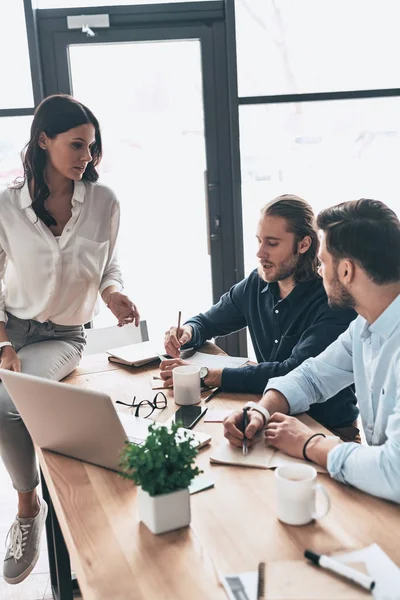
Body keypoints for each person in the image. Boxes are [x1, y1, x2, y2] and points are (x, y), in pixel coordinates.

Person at [0, 94, 140, 584]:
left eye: (91, 146)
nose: (87, 156)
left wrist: (114, 292)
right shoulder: (6, 206)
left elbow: (109, 262)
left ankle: (26, 505)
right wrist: (1, 340)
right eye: (77, 145)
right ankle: (29, 507)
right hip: (11, 328)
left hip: (64, 334)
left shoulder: (105, 202)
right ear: (44, 141)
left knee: (11, 401)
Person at [223, 198, 400, 504]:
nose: (319, 272)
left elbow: (393, 471)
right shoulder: (364, 326)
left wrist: (309, 443)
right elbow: (312, 377)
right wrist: (262, 410)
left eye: (322, 263)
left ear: (346, 271)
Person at [162, 195, 358, 434]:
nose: (260, 253)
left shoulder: (332, 299)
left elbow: (293, 371)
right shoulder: (258, 282)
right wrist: (187, 332)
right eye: (259, 241)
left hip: (327, 429)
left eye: (272, 243)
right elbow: (206, 322)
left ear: (304, 244)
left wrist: (209, 375)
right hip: (273, 416)